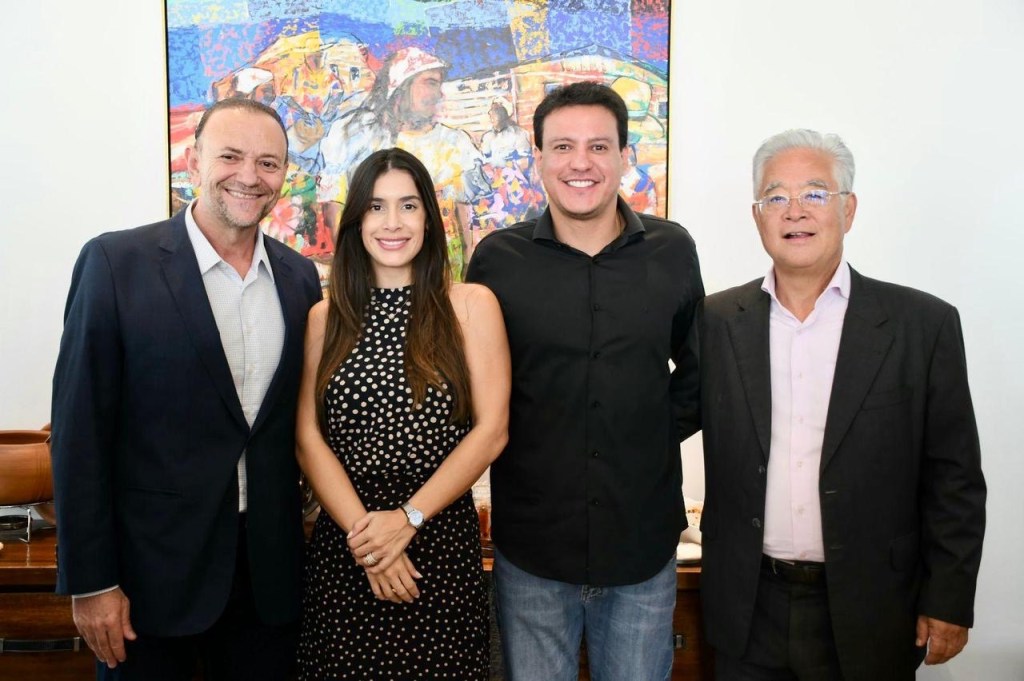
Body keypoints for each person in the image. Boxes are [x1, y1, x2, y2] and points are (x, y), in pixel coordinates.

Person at [50, 97, 322, 681]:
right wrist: (92, 580)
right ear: (193, 159)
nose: (250, 176)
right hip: (149, 581)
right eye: (230, 155)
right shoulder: (115, 263)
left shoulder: (301, 279)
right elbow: (79, 435)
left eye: (269, 163)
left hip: (269, 580)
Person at [698, 129, 986, 680]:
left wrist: (949, 598)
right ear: (758, 217)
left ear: (848, 210)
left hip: (873, 605)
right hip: (747, 605)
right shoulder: (716, 322)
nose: (795, 211)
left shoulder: (921, 325)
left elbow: (955, 477)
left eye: (815, 193)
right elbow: (662, 421)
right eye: (776, 197)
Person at [466, 81, 704, 681]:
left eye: (599, 146)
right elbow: (473, 387)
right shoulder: (497, 260)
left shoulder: (672, 250)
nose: (581, 162)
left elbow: (700, 373)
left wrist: (642, 432)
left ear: (626, 156)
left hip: (642, 544)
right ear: (538, 157)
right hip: (533, 550)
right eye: (563, 146)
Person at [295, 147, 510, 679]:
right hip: (349, 545)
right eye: (375, 207)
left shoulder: (470, 304)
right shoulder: (327, 316)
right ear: (355, 223)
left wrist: (408, 519)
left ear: (429, 220)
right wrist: (370, 543)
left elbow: (491, 430)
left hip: (437, 543)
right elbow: (307, 437)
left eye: (408, 206)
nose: (393, 223)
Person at [318, 47, 485, 277]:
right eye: (430, 82)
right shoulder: (356, 136)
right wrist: (354, 270)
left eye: (438, 83)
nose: (439, 94)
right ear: (402, 86)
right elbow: (335, 207)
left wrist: (467, 270)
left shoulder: (455, 143)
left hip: (441, 279)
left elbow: (465, 216)